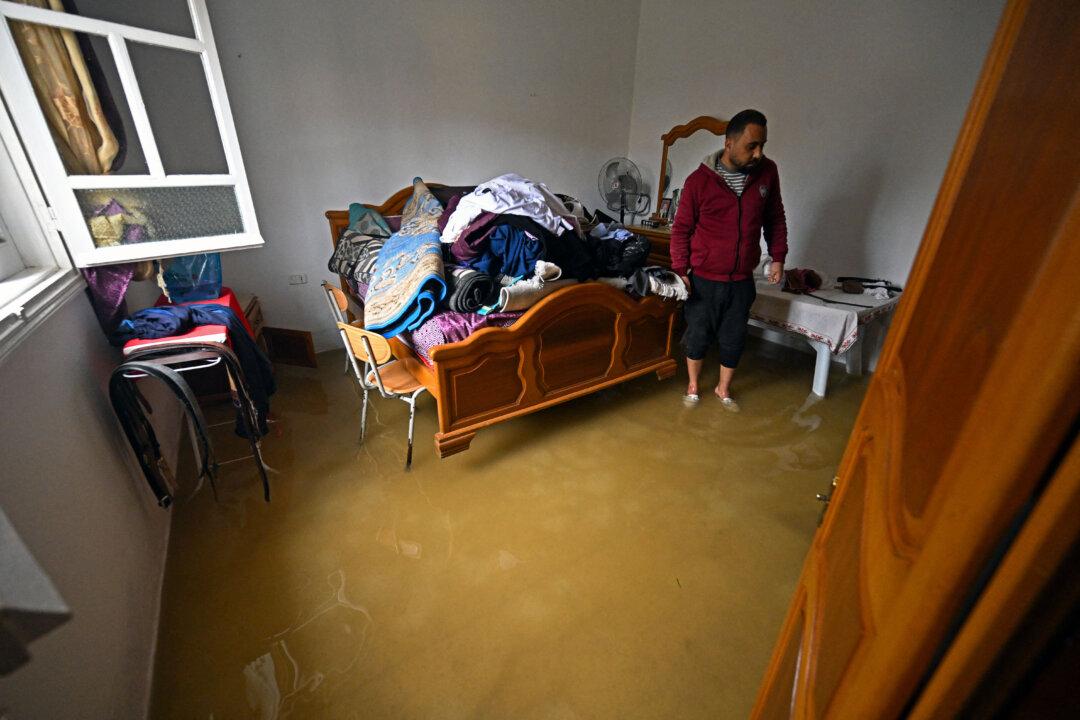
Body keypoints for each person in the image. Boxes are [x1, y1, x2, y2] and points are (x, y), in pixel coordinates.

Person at [669, 108, 788, 412]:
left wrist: (778, 258)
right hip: (704, 278)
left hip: (741, 280)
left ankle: (724, 389)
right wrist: (681, 270)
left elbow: (775, 218)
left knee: (734, 337)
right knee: (697, 334)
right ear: (729, 143)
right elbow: (681, 229)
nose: (758, 153)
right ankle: (694, 385)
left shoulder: (767, 173)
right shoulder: (699, 181)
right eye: (752, 146)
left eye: (762, 145)